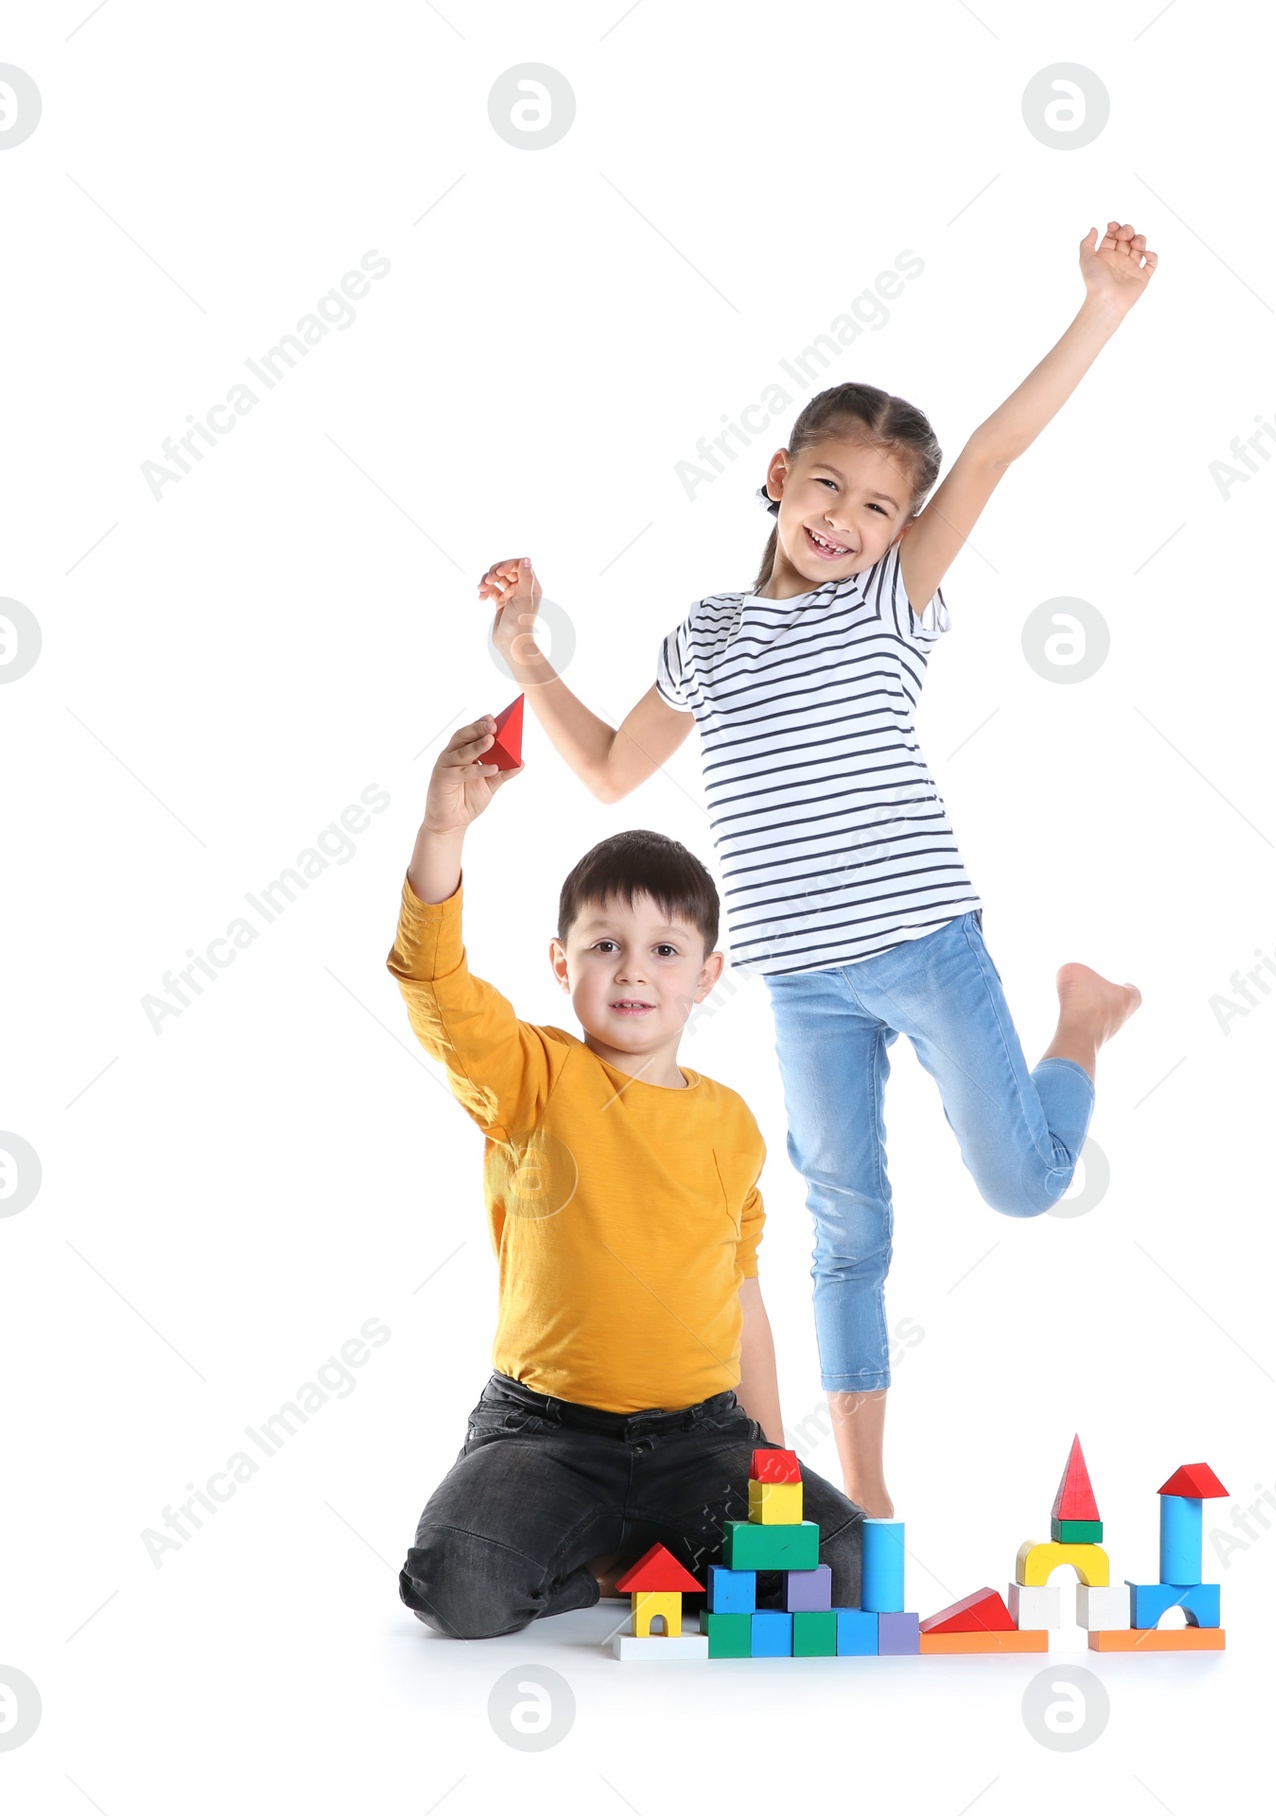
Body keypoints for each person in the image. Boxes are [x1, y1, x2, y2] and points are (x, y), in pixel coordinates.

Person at [478, 221, 1157, 1517]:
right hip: (801, 982)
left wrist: (1101, 309)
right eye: (829, 488)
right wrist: (528, 660)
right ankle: (870, 1496)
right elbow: (618, 770)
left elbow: (1002, 446)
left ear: (906, 526)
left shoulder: (888, 602)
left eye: (881, 505)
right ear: (781, 477)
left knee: (1022, 1183)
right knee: (845, 1231)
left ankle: (1077, 1024)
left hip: (925, 944)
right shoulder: (713, 633)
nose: (848, 520)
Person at [387, 717, 861, 1639]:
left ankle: (645, 1555)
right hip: (547, 1437)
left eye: (665, 950)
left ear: (707, 973)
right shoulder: (534, 1078)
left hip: (703, 1441)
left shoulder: (731, 1123)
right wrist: (443, 831)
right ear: (561, 964)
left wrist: (766, 1456)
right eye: (605, 946)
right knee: (464, 1588)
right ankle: (605, 1562)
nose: (633, 970)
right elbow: (435, 985)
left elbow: (744, 1304)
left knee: (837, 1565)